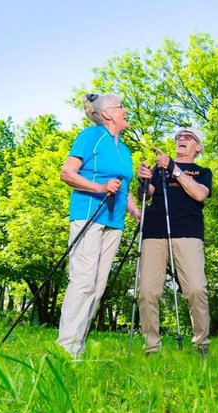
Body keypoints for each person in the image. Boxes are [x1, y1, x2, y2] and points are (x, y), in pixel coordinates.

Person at [57, 93, 140, 358]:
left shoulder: (124, 149)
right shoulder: (91, 136)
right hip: (88, 215)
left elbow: (122, 188)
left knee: (98, 286)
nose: (126, 111)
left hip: (114, 222)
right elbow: (67, 173)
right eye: (121, 107)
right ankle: (66, 348)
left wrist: (136, 211)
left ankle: (77, 345)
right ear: (107, 114)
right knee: (83, 282)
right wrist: (99, 187)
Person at [136, 127, 212, 356]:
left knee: (196, 289)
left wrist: (173, 167)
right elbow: (144, 196)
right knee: (147, 292)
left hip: (188, 232)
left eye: (188, 137)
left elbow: (199, 194)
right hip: (154, 231)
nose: (181, 139)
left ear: (198, 147)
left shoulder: (202, 171)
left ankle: (201, 344)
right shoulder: (159, 170)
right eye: (179, 137)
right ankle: (151, 347)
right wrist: (144, 180)